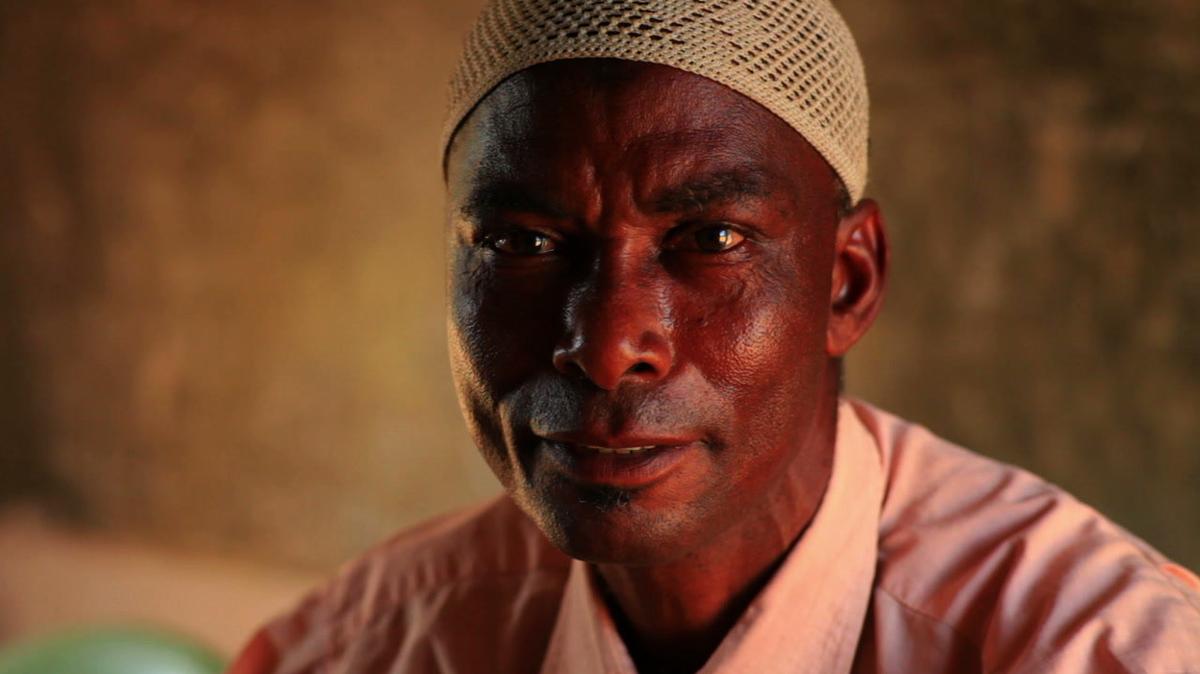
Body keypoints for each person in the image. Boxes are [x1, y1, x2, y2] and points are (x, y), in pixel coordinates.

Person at [230, 1, 1200, 672]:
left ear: (846, 279)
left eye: (712, 240)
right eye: (523, 241)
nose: (609, 343)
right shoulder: (364, 647)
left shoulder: (1097, 648)